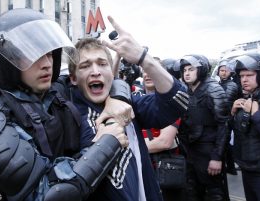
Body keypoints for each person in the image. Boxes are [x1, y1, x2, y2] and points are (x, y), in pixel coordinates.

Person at [0, 8, 133, 201]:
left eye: (49, 54)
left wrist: (118, 98)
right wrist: (107, 141)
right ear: (6, 62)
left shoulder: (54, 93)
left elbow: (106, 80)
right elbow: (49, 194)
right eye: (32, 54)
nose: (47, 63)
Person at [66, 16, 188, 201]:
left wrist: (143, 58)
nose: (96, 71)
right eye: (85, 66)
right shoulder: (67, 116)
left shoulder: (129, 103)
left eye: (102, 63)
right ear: (73, 78)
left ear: (110, 72)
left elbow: (177, 102)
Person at [178, 54, 230, 201]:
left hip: (208, 150)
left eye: (191, 69)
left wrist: (217, 157)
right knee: (192, 192)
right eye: (184, 70)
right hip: (190, 150)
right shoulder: (187, 90)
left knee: (214, 194)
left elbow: (224, 125)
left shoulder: (214, 89)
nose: (186, 73)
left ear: (200, 70)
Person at [139, 58, 187, 201]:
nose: (147, 74)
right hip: (144, 168)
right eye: (144, 71)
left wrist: (132, 148)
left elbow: (164, 142)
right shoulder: (136, 99)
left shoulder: (171, 102)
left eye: (151, 70)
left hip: (165, 171)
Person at [230, 53, 260, 201]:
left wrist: (256, 114)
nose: (244, 79)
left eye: (249, 75)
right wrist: (233, 113)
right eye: (241, 76)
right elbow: (242, 131)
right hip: (247, 167)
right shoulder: (250, 96)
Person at [217, 59, 239, 175]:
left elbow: (224, 101)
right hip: (225, 117)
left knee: (224, 142)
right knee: (225, 142)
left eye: (226, 70)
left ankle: (229, 167)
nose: (223, 72)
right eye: (221, 70)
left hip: (226, 118)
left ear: (231, 72)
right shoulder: (220, 84)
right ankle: (230, 167)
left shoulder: (231, 85)